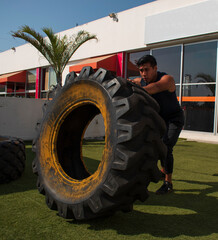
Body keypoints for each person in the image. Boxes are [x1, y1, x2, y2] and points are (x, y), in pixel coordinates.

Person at [129, 55, 184, 194]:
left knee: (166, 147)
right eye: (141, 70)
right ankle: (162, 171)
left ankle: (168, 183)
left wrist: (134, 87)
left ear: (155, 68)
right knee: (153, 146)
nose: (143, 74)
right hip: (160, 120)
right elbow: (131, 81)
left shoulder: (167, 79)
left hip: (174, 119)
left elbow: (154, 87)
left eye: (147, 70)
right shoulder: (141, 80)